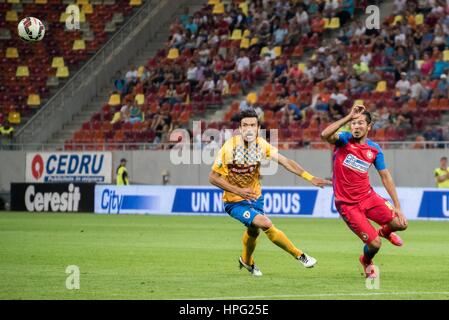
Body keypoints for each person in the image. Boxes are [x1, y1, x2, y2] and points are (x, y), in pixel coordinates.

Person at [209, 109, 332, 276]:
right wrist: (239, 191)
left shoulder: (261, 145)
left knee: (254, 230)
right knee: (265, 223)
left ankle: (246, 261)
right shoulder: (229, 148)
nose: (249, 129)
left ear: (258, 128)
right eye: (245, 125)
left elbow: (285, 162)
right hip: (234, 201)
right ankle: (300, 255)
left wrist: (309, 177)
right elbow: (213, 178)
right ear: (240, 128)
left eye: (252, 125)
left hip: (255, 197)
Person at [320, 105, 408, 279]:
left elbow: (385, 177)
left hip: (368, 197)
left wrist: (397, 206)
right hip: (347, 205)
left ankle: (384, 232)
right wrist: (348, 116)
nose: (356, 126)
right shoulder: (343, 140)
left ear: (369, 127)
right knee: (375, 244)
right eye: (353, 123)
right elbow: (324, 135)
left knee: (401, 223)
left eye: (360, 123)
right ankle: (366, 260)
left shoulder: (374, 149)